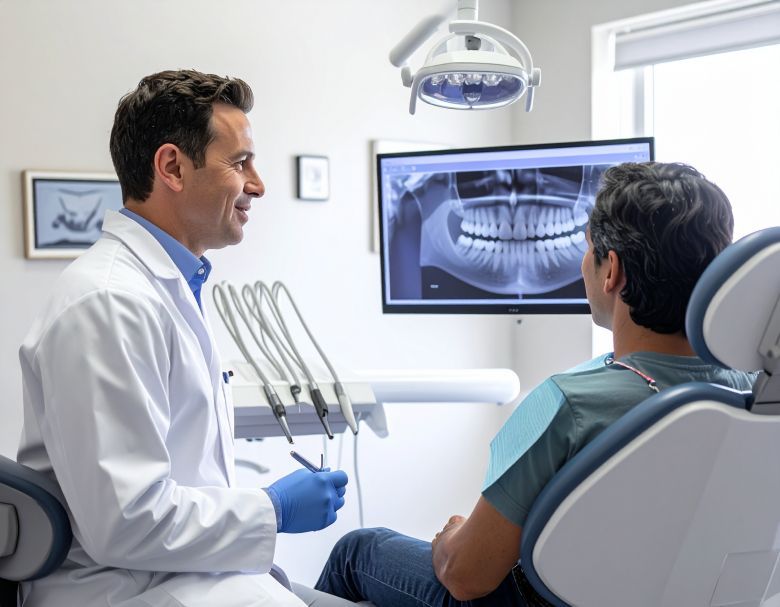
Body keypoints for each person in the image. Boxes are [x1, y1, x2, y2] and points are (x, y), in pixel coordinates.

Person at [313, 162, 756, 606]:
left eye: (589, 250)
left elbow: (467, 577)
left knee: (357, 551)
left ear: (611, 271)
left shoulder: (570, 405)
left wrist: (449, 541)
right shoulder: (755, 393)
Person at [17, 70, 356, 607]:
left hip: (192, 579)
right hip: (127, 593)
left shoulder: (168, 288)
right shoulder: (108, 303)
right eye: (240, 162)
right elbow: (124, 523)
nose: (259, 184)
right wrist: (272, 508)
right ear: (172, 167)